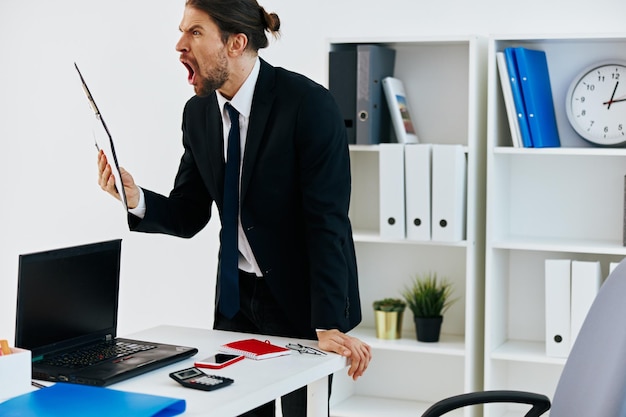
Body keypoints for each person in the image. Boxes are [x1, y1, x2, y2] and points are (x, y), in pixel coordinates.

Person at [97, 0, 371, 415]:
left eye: (195, 32)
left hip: (303, 302)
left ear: (236, 43)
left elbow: (327, 221)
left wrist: (328, 323)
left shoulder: (308, 105)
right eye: (181, 31)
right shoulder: (198, 113)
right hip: (236, 300)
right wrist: (135, 198)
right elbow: (189, 214)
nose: (179, 44)